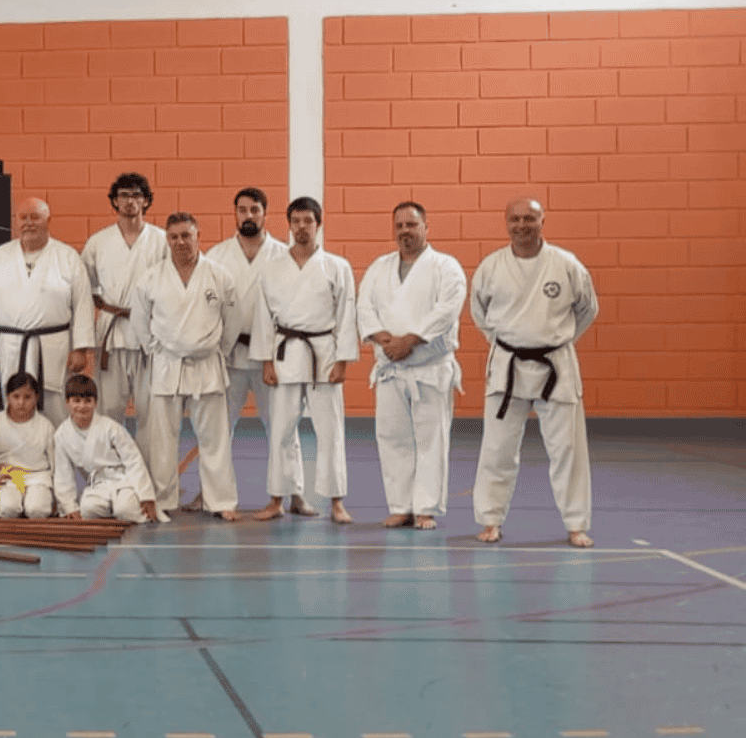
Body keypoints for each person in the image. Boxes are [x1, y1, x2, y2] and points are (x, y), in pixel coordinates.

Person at [471, 197, 598, 548]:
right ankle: (491, 520)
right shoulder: (491, 267)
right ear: (505, 222)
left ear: (543, 220)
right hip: (507, 365)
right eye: (515, 219)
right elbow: (479, 314)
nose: (521, 225)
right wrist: (508, 343)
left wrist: (557, 340)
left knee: (567, 449)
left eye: (529, 218)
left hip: (555, 364)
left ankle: (576, 523)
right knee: (497, 448)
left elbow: (588, 308)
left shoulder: (565, 264)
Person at [357, 200, 467, 531]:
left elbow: (447, 310)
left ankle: (426, 508)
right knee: (392, 437)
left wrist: (411, 340)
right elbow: (364, 307)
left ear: (426, 227)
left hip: (428, 367)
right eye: (400, 226)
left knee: (431, 438)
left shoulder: (446, 267)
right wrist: (384, 339)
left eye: (412, 225)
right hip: (391, 366)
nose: (405, 231)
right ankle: (401, 505)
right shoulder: (379, 267)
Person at [249, 197, 358, 524]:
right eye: (295, 221)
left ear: (318, 224)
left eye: (307, 221)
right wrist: (266, 360)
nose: (301, 227)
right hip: (284, 353)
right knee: (281, 428)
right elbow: (263, 316)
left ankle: (336, 501)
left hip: (323, 352)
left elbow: (347, 314)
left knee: (330, 429)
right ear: (289, 224)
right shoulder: (272, 267)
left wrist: (343, 359)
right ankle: (276, 499)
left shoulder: (337, 266)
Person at [131, 212, 244, 520]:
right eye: (174, 237)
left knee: (214, 437)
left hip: (207, 364)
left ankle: (220, 501)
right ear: (167, 239)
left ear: (198, 236)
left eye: (186, 235)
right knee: (163, 436)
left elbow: (232, 323)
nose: (180, 242)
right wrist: (155, 349)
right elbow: (140, 320)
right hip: (167, 363)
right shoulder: (152, 277)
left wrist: (216, 350)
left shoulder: (219, 276)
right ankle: (165, 499)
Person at [204, 186, 298, 509]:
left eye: (254, 210)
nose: (248, 216)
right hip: (228, 354)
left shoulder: (284, 255)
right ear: (234, 213)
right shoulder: (216, 255)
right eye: (242, 210)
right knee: (219, 427)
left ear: (265, 213)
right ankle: (212, 494)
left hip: (271, 357)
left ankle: (294, 492)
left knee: (282, 426)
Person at [0, 196, 94, 416]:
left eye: (35, 217)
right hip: (11, 345)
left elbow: (83, 304)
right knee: (13, 401)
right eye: (23, 217)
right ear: (16, 221)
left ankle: (55, 450)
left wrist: (80, 348)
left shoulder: (67, 257)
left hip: (53, 346)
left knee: (55, 406)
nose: (28, 222)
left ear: (48, 220)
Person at [80, 173, 168, 439]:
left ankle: (152, 478)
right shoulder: (98, 242)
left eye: (136, 195)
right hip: (111, 335)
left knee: (152, 411)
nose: (130, 201)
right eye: (124, 195)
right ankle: (111, 475)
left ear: (146, 201)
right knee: (108, 411)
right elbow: (83, 289)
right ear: (115, 201)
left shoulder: (162, 240)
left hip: (150, 337)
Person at [53, 374, 160, 523]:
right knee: (87, 510)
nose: (82, 406)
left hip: (123, 481)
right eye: (76, 401)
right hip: (97, 484)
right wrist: (69, 506)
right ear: (67, 404)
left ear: (96, 403)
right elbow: (62, 473)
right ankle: (113, 507)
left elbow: (133, 460)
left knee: (125, 511)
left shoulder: (111, 428)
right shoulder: (62, 434)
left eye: (88, 401)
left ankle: (124, 504)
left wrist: (145, 496)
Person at [0, 372, 58, 519]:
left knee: (37, 510)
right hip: (8, 477)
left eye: (27, 397)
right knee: (7, 509)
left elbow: (55, 463)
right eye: (16, 396)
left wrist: (58, 497)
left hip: (39, 477)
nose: (21, 403)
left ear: (36, 398)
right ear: (7, 397)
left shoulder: (45, 425)